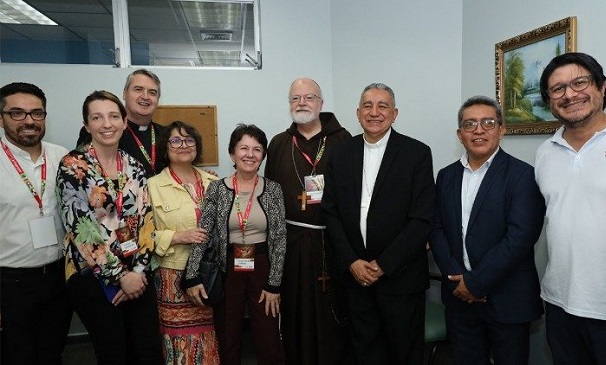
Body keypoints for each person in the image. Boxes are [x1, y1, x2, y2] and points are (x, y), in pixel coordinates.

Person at [321, 83, 435, 364]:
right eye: (368, 106)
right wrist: (352, 262)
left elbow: (421, 220)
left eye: (382, 106)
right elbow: (330, 212)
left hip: (401, 277)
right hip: (356, 277)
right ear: (358, 113)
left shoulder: (417, 153)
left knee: (403, 353)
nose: (374, 112)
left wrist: (384, 264)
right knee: (364, 352)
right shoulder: (340, 153)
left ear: (394, 113)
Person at [429, 95, 545, 364]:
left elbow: (521, 237)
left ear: (502, 130)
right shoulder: (446, 176)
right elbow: (436, 228)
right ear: (460, 134)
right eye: (470, 124)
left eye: (488, 123)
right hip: (460, 300)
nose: (478, 130)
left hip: (507, 299)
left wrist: (476, 282)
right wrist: (457, 276)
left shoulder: (523, 175)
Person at [57, 90, 163, 364]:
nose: (107, 124)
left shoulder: (135, 167)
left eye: (114, 116)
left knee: (148, 350)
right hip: (93, 276)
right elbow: (81, 228)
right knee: (113, 353)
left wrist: (137, 273)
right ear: (87, 125)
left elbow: (146, 222)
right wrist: (119, 277)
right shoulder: (73, 166)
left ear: (124, 121)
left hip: (137, 273)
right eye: (97, 117)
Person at [264, 77, 352, 365]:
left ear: (321, 103)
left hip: (330, 241)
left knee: (331, 312)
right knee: (295, 310)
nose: (302, 103)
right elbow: (271, 198)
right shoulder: (278, 143)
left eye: (309, 97)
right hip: (291, 243)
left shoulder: (343, 140)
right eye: (295, 98)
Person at [184, 123, 286, 365]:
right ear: (232, 153)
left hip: (263, 266)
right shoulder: (217, 189)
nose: (250, 154)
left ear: (263, 156)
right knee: (228, 334)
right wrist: (192, 275)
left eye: (257, 149)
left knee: (267, 334)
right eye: (244, 148)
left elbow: (280, 238)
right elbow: (204, 233)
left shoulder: (273, 189)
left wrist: (274, 284)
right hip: (227, 267)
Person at [536, 52, 606, 364]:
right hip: (560, 302)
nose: (570, 95)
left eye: (580, 83)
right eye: (558, 89)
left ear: (602, 88)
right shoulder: (545, 152)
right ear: (550, 100)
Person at [0, 82, 72, 365]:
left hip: (57, 277)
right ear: (1, 118)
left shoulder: (62, 157)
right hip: (9, 282)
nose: (29, 120)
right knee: (15, 356)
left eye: (36, 113)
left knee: (52, 354)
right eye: (17, 113)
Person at [148, 121, 220, 364]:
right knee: (179, 340)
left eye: (189, 140)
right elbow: (144, 236)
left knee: (208, 335)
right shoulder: (152, 186)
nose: (183, 145)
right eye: (175, 141)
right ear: (164, 148)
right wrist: (179, 236)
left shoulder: (213, 183)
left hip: (209, 272)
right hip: (173, 275)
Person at [76, 68, 166, 177]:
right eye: (138, 89)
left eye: (152, 92)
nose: (145, 96)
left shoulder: (166, 134)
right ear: (124, 94)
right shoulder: (105, 131)